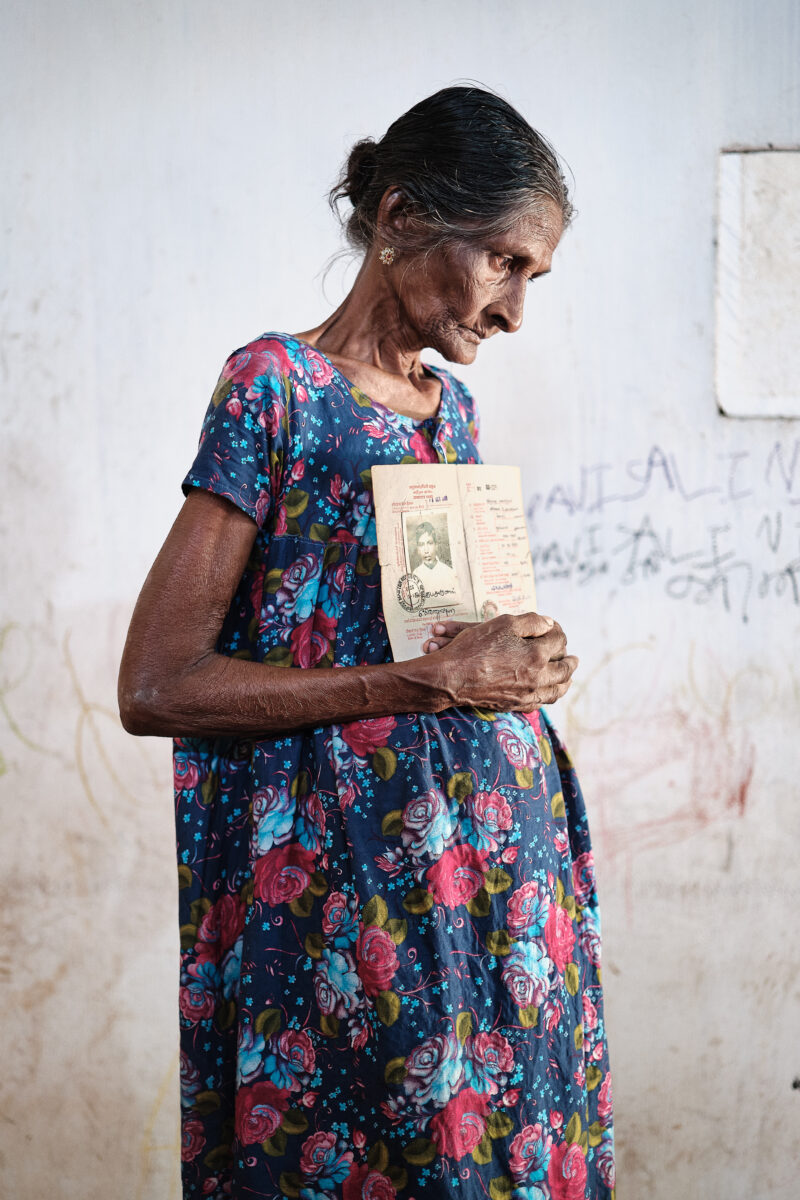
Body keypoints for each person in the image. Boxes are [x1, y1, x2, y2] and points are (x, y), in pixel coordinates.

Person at [119, 86, 615, 1200]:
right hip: (352, 895)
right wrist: (429, 680)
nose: (514, 311)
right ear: (398, 219)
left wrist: (510, 660)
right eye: (503, 263)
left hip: (497, 884)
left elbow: (437, 647)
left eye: (533, 277)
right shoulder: (276, 389)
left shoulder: (450, 411)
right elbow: (155, 684)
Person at [411, 521, 459, 605]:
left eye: (429, 543)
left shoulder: (449, 573)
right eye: (421, 545)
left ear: (436, 545)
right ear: (418, 549)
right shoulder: (415, 576)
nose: (426, 550)